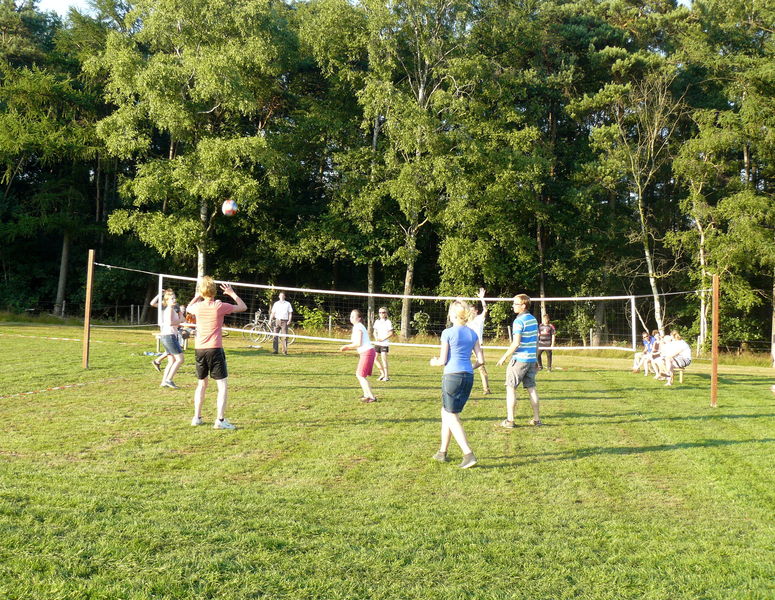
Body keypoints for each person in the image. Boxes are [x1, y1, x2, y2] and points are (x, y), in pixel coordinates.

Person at [186, 277, 247, 429]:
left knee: (201, 384)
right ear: (214, 291)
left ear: (202, 291)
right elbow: (242, 306)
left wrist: (198, 295)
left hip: (200, 349)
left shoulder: (198, 307)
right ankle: (220, 420)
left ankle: (197, 417)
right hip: (214, 349)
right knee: (222, 385)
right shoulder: (219, 306)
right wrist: (231, 293)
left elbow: (188, 308)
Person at [430, 300, 484, 469]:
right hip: (468, 377)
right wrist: (468, 367)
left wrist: (433, 362)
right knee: (447, 412)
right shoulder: (473, 334)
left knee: (451, 415)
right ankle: (442, 452)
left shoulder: (447, 333)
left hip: (452, 376)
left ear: (453, 315)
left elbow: (442, 360)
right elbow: (481, 361)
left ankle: (468, 454)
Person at [496, 294, 542, 428]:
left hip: (519, 359)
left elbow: (516, 343)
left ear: (523, 306)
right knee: (531, 388)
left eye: (515, 304)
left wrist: (504, 357)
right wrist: (536, 359)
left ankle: (510, 420)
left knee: (510, 388)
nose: (513, 306)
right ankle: (537, 419)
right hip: (530, 360)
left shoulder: (518, 321)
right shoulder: (533, 320)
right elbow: (536, 342)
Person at [149, 289, 185, 389]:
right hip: (169, 336)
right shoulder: (168, 308)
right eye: (172, 298)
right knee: (180, 359)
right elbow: (170, 323)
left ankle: (164, 382)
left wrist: (181, 316)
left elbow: (179, 321)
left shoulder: (173, 308)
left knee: (171, 360)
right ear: (167, 300)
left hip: (168, 336)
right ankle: (169, 380)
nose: (174, 300)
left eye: (174, 298)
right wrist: (180, 318)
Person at [340, 310, 377, 402]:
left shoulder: (358, 327)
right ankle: (366, 395)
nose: (351, 318)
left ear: (359, 318)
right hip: (366, 352)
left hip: (367, 352)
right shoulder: (357, 327)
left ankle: (371, 397)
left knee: (360, 375)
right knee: (360, 375)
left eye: (353, 316)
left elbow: (358, 343)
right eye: (350, 316)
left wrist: (346, 347)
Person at [467, 288, 492, 394]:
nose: (471, 312)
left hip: (478, 345)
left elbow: (485, 309)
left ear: (476, 311)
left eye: (472, 310)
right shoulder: (467, 321)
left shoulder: (479, 318)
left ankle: (486, 389)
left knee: (481, 367)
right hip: (468, 345)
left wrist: (482, 298)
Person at [373, 307, 394, 381]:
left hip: (384, 343)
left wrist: (383, 339)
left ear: (386, 313)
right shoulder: (377, 321)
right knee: (374, 358)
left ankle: (386, 376)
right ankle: (382, 374)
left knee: (383, 359)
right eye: (380, 312)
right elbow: (374, 331)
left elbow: (391, 333)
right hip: (378, 343)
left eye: (383, 312)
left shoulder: (388, 322)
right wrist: (376, 338)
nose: (381, 314)